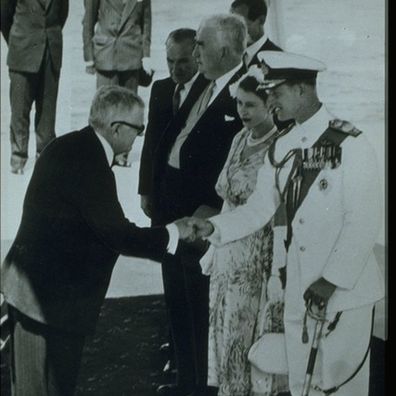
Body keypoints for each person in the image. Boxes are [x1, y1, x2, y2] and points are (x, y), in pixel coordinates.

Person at [184, 51, 384, 396]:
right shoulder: (284, 147)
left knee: (340, 388)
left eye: (275, 93)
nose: (270, 101)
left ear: (302, 90)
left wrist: (332, 280)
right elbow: (260, 208)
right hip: (300, 289)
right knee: (301, 387)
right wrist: (216, 228)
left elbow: (363, 220)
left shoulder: (351, 144)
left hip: (343, 293)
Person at [0, 85, 193, 396]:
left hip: (42, 297)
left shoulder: (73, 146)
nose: (139, 137)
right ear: (117, 128)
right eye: (138, 128)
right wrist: (174, 233)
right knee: (41, 389)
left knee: (40, 387)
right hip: (46, 303)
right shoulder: (89, 161)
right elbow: (117, 233)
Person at [152, 14, 246, 396]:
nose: (194, 52)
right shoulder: (204, 82)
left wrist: (211, 208)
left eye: (202, 46)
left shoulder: (243, 91)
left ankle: (201, 387)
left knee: (199, 307)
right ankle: (185, 380)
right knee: (177, 299)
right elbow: (175, 135)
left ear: (224, 49)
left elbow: (240, 163)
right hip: (173, 211)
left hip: (202, 219)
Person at [198, 66, 289, 396]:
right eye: (238, 103)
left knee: (250, 334)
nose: (242, 112)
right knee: (225, 331)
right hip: (228, 251)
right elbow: (226, 200)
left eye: (250, 104)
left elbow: (278, 212)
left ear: (269, 104)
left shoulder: (280, 146)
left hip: (257, 254)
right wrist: (213, 248)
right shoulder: (238, 138)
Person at [138, 27, 208, 379]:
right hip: (163, 201)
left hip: (193, 206)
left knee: (193, 284)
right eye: (169, 61)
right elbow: (151, 142)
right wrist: (145, 190)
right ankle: (176, 348)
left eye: (183, 61)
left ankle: (191, 359)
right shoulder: (161, 89)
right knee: (170, 278)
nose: (175, 69)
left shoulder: (208, 91)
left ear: (197, 57)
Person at [0, 0, 69, 174]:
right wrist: (18, 40)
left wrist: (48, 37)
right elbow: (4, 16)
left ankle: (45, 155)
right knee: (19, 108)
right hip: (22, 50)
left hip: (50, 52)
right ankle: (18, 158)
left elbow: (62, 14)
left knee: (47, 109)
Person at [82, 0, 152, 166]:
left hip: (131, 54)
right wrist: (89, 57)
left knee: (129, 108)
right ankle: (100, 151)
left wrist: (146, 55)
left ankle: (122, 153)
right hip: (106, 54)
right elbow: (88, 21)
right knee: (104, 107)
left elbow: (147, 22)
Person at [230, 0, 281, 69]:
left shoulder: (279, 58)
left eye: (241, 24)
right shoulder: (231, 57)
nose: (234, 31)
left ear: (261, 20)